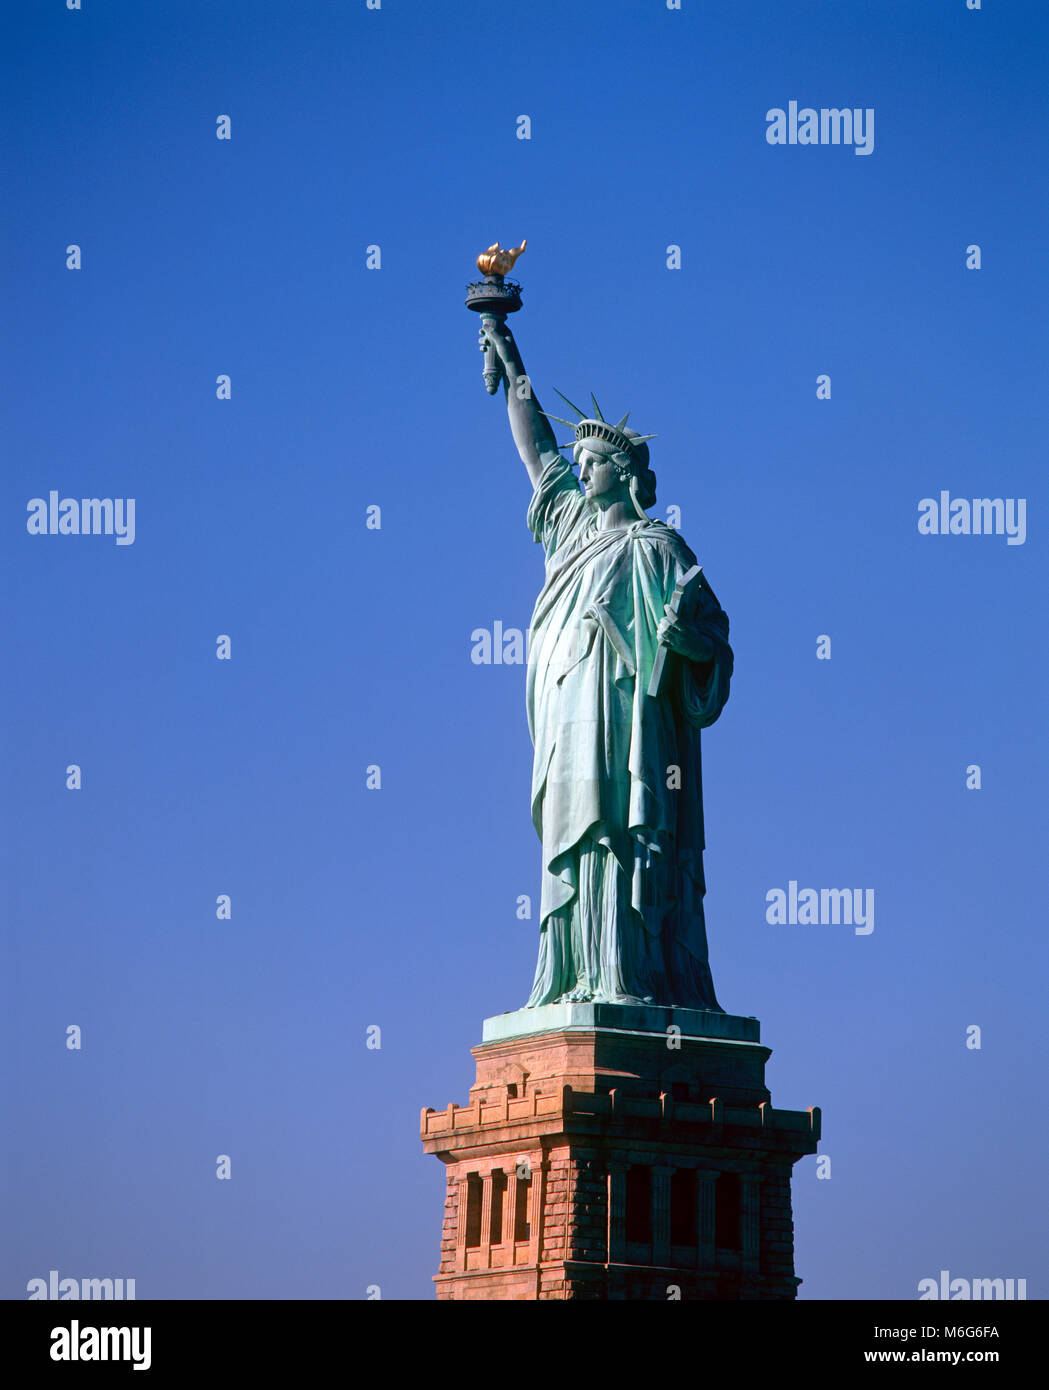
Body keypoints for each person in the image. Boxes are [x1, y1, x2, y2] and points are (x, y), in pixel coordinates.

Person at [482, 320, 733, 1011]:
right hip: (569, 718)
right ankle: (574, 976)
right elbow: (535, 453)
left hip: (635, 724)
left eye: (590, 460)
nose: (578, 467)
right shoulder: (568, 530)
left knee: (626, 831)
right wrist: (510, 360)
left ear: (620, 472)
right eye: (580, 460)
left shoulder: (658, 549)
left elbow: (713, 639)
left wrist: (687, 643)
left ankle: (630, 973)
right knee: (576, 831)